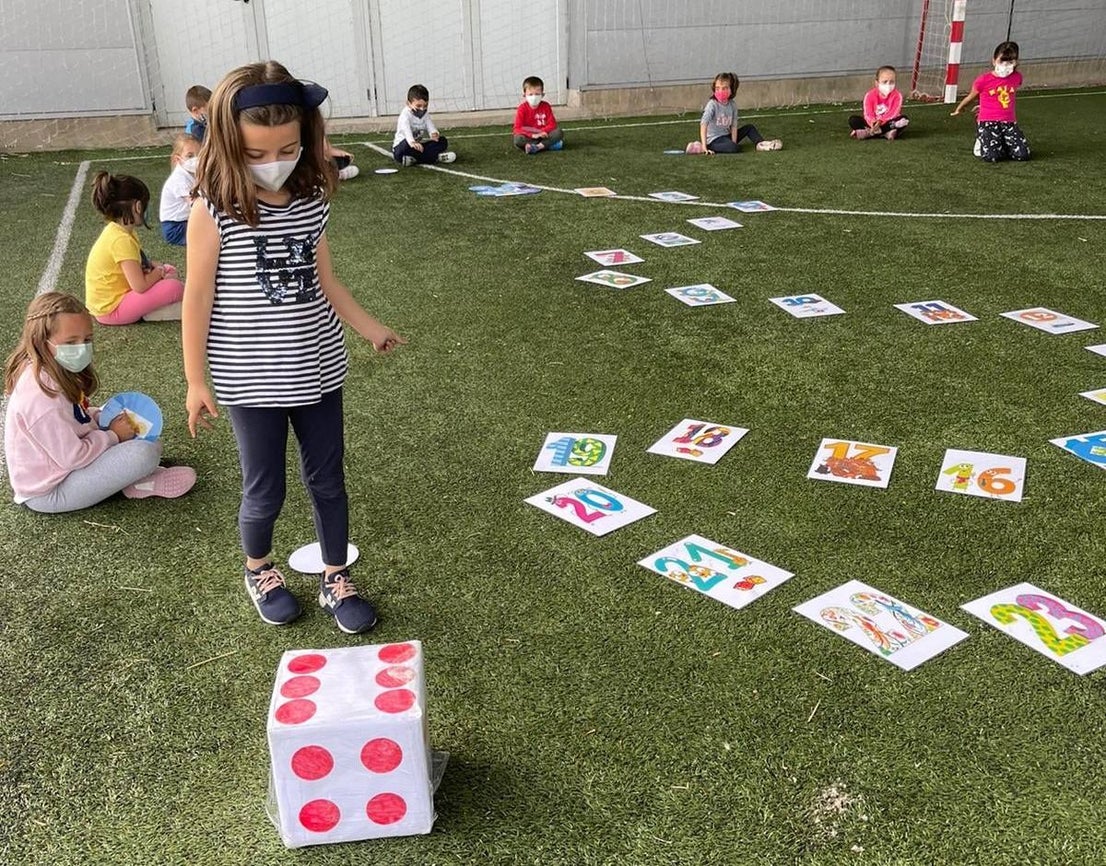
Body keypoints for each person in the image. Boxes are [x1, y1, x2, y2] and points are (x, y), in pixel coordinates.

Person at [183, 60, 406, 634]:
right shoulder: (213, 209)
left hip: (318, 369)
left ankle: (336, 576)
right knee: (265, 490)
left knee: (328, 480)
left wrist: (368, 326)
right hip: (250, 383)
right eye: (256, 155)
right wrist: (195, 380)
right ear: (229, 147)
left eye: (286, 148)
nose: (273, 163)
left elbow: (327, 280)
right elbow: (197, 298)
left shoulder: (311, 201)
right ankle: (259, 568)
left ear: (306, 138)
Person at [3, 292, 195, 513]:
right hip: (50, 491)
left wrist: (99, 416)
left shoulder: (53, 370)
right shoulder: (41, 397)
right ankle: (138, 481)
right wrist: (113, 435)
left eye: (87, 340)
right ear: (42, 342)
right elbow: (73, 458)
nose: (82, 347)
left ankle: (127, 474)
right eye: (71, 342)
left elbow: (74, 417)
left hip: (67, 466)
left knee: (147, 442)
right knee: (144, 454)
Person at [85, 172, 185, 324]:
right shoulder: (121, 240)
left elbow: (133, 266)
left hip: (113, 302)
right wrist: (159, 272)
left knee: (169, 271)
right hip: (112, 311)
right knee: (174, 287)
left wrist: (152, 266)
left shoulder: (119, 231)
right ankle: (155, 312)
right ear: (138, 207)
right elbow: (140, 285)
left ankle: (153, 309)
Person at [950, 40, 1030, 162]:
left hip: (1008, 122)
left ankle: (1003, 141)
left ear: (1016, 62)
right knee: (992, 157)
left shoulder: (1017, 77)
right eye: (1002, 61)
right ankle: (981, 139)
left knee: (1022, 155)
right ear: (994, 61)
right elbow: (971, 96)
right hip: (988, 121)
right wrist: (959, 108)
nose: (1005, 66)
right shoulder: (983, 80)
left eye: (1010, 62)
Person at [690, 72, 782, 155]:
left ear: (732, 89)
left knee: (749, 128)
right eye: (717, 88)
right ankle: (702, 147)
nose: (720, 91)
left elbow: (734, 126)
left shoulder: (732, 105)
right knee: (735, 148)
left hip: (726, 136)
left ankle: (761, 144)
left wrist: (733, 141)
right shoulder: (712, 104)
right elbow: (703, 124)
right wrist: (705, 146)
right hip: (714, 140)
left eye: (724, 88)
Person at [391, 84, 456, 167]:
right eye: (418, 106)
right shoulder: (405, 116)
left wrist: (434, 133)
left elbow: (430, 125)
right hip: (405, 146)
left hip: (419, 147)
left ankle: (414, 160)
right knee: (403, 148)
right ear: (408, 103)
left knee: (442, 141)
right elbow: (406, 131)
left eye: (425, 106)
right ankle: (434, 157)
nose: (422, 109)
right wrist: (412, 142)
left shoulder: (425, 114)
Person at [159, 133, 201, 245]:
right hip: (175, 227)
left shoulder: (193, 173)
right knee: (209, 234)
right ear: (178, 159)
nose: (196, 159)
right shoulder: (179, 178)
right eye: (190, 156)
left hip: (185, 222)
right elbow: (195, 203)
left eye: (199, 154)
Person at [849, 66, 910, 140]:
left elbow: (893, 113)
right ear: (877, 83)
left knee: (904, 120)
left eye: (891, 82)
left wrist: (880, 122)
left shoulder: (897, 96)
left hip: (887, 122)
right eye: (885, 82)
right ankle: (885, 133)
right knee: (853, 120)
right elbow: (868, 113)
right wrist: (873, 123)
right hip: (872, 124)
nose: (888, 85)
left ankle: (869, 133)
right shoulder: (869, 95)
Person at [513, 76, 563, 154]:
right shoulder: (522, 108)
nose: (534, 97)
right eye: (530, 94)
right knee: (518, 139)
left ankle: (536, 147)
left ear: (542, 95)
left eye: (537, 94)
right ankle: (546, 146)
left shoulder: (546, 106)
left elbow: (552, 124)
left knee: (558, 132)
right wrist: (533, 135)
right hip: (530, 137)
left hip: (544, 136)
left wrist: (542, 132)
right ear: (524, 95)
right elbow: (517, 128)